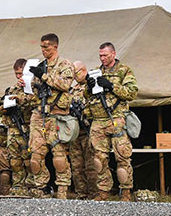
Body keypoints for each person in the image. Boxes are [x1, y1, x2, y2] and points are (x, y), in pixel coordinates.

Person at [85, 42, 138, 201]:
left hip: (116, 119)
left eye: (105, 55)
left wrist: (111, 86)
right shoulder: (96, 71)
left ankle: (126, 192)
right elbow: (87, 96)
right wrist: (88, 87)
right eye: (100, 55)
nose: (102, 58)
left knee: (122, 158)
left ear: (113, 54)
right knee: (99, 159)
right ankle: (103, 192)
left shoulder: (124, 71)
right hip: (98, 122)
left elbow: (132, 93)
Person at [27, 33, 75, 199]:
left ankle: (62, 191)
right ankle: (42, 188)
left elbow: (65, 84)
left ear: (55, 46)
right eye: (41, 47)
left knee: (59, 157)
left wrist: (45, 76)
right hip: (40, 115)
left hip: (57, 115)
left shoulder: (65, 64)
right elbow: (33, 92)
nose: (43, 50)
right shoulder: (41, 66)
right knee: (35, 157)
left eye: (46, 47)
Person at [0, 59, 35, 196]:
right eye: (16, 74)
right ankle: (18, 185)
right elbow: (1, 110)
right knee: (14, 160)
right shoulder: (12, 89)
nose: (19, 77)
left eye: (20, 73)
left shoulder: (32, 88)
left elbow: (35, 104)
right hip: (13, 129)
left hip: (28, 128)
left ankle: (31, 185)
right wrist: (6, 109)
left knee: (29, 159)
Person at [69, 61, 103, 199]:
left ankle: (94, 193)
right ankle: (81, 193)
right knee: (76, 166)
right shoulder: (72, 90)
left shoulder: (92, 87)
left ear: (83, 70)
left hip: (89, 130)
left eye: (75, 73)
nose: (74, 77)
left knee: (91, 165)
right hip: (75, 133)